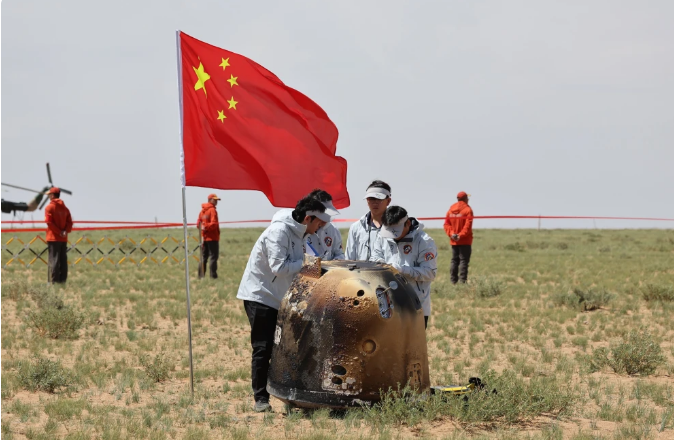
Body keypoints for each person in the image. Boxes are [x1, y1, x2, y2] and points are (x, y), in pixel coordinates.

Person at [236, 195, 329, 413]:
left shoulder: (301, 233)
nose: (320, 227)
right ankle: (261, 398)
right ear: (308, 218)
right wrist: (310, 265)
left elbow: (298, 267)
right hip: (260, 296)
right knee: (263, 347)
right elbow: (279, 267)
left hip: (280, 297)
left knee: (284, 348)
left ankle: (287, 394)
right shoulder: (278, 232)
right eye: (318, 223)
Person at [370, 206, 437, 329]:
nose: (393, 236)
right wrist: (381, 265)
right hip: (386, 303)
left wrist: (403, 270)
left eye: (396, 232)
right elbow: (375, 256)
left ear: (407, 223)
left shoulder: (424, 242)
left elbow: (430, 273)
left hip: (414, 305)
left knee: (412, 346)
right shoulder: (383, 236)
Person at [345, 180, 392, 261]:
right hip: (362, 273)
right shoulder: (356, 227)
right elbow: (349, 258)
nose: (375, 202)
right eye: (371, 198)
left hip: (388, 273)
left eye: (379, 199)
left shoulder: (397, 226)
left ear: (388, 201)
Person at [443, 191, 474, 284]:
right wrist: (460, 236)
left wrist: (452, 234)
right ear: (465, 199)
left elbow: (446, 224)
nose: (468, 200)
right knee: (463, 261)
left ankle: (453, 281)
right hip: (465, 241)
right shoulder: (468, 210)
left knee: (454, 261)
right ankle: (462, 282)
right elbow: (468, 226)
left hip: (454, 241)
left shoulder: (450, 210)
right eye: (467, 198)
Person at [44, 187, 73, 284]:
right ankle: (62, 281)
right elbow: (70, 223)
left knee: (54, 260)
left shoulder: (49, 207)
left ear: (52, 195)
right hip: (63, 239)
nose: (48, 196)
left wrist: (58, 232)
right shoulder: (65, 209)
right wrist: (65, 231)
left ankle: (53, 282)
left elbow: (49, 222)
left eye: (49, 195)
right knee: (62, 259)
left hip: (53, 238)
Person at [305, 189, 344, 260]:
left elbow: (339, 253)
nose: (325, 220)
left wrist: (334, 262)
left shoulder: (333, 229)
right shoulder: (301, 230)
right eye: (324, 215)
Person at [197, 194, 221, 279]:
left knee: (204, 257)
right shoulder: (212, 210)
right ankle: (213, 276)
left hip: (204, 237)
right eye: (215, 200)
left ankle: (201, 276)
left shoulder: (202, 211)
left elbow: (198, 224)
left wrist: (203, 227)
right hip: (213, 237)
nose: (216, 202)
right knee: (213, 257)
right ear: (210, 200)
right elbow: (214, 224)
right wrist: (206, 227)